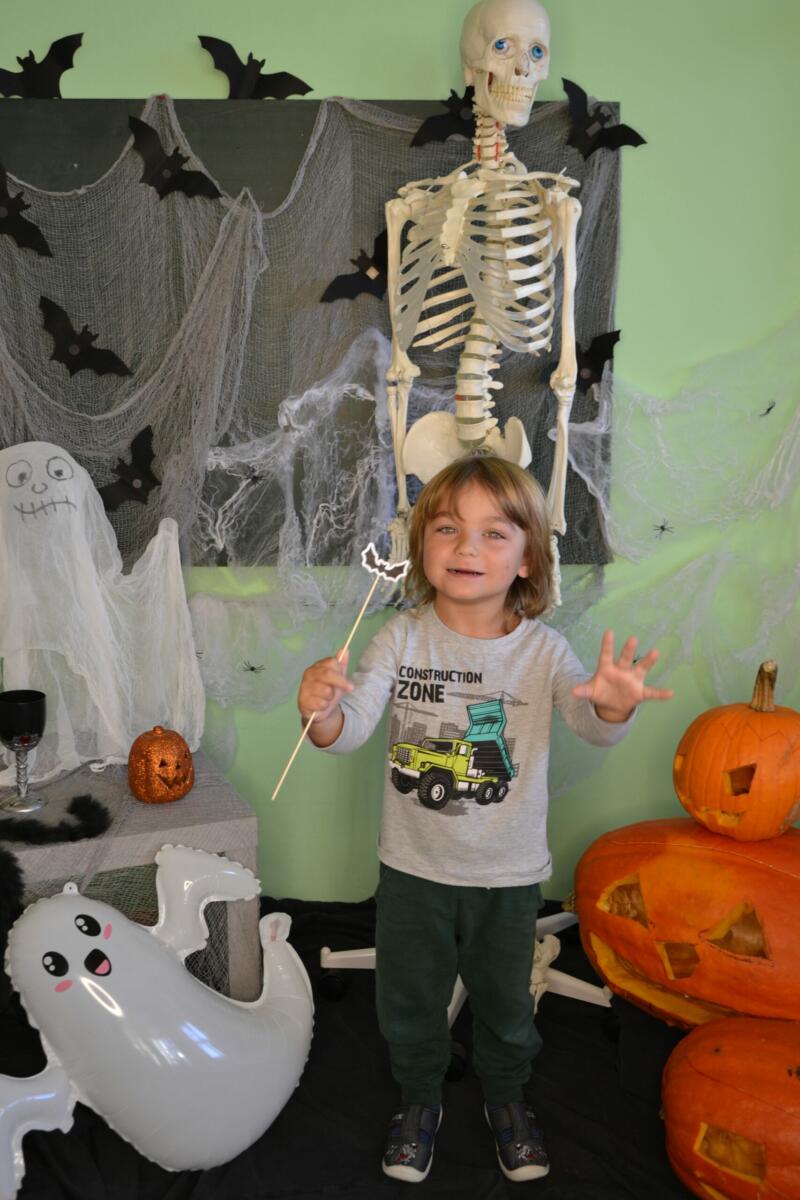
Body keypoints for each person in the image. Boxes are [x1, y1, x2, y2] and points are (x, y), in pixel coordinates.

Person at [297, 457, 672, 1184]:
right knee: (408, 1000)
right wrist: (323, 709)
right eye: (447, 529)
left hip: (507, 876)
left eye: (494, 533)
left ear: (527, 557)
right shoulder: (398, 639)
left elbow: (590, 725)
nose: (467, 547)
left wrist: (613, 706)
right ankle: (418, 1098)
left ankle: (507, 1096)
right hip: (412, 871)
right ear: (422, 545)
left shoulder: (544, 651)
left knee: (505, 1001)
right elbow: (345, 732)